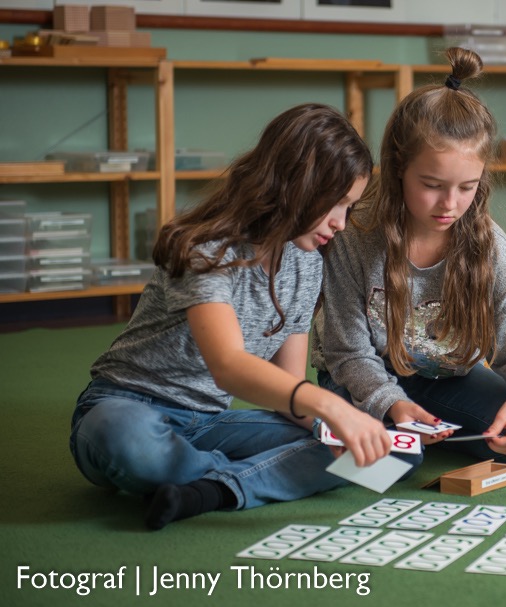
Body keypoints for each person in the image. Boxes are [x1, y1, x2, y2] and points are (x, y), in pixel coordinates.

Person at [69, 103, 393, 531]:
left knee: (362, 450)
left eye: (349, 208)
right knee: (128, 440)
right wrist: (332, 406)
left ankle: (206, 489)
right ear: (297, 184)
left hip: (207, 424)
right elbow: (228, 366)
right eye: (336, 204)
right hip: (126, 405)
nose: (342, 223)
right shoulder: (205, 246)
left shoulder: (308, 263)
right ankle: (241, 476)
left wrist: (345, 428)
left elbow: (289, 394)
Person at [312, 47, 506, 471]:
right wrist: (390, 403)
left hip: (443, 381)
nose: (450, 203)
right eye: (432, 184)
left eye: (467, 187)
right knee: (396, 460)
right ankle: (420, 439)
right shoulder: (354, 237)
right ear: (397, 169)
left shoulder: (489, 247)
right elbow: (347, 351)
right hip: (359, 377)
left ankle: (428, 435)